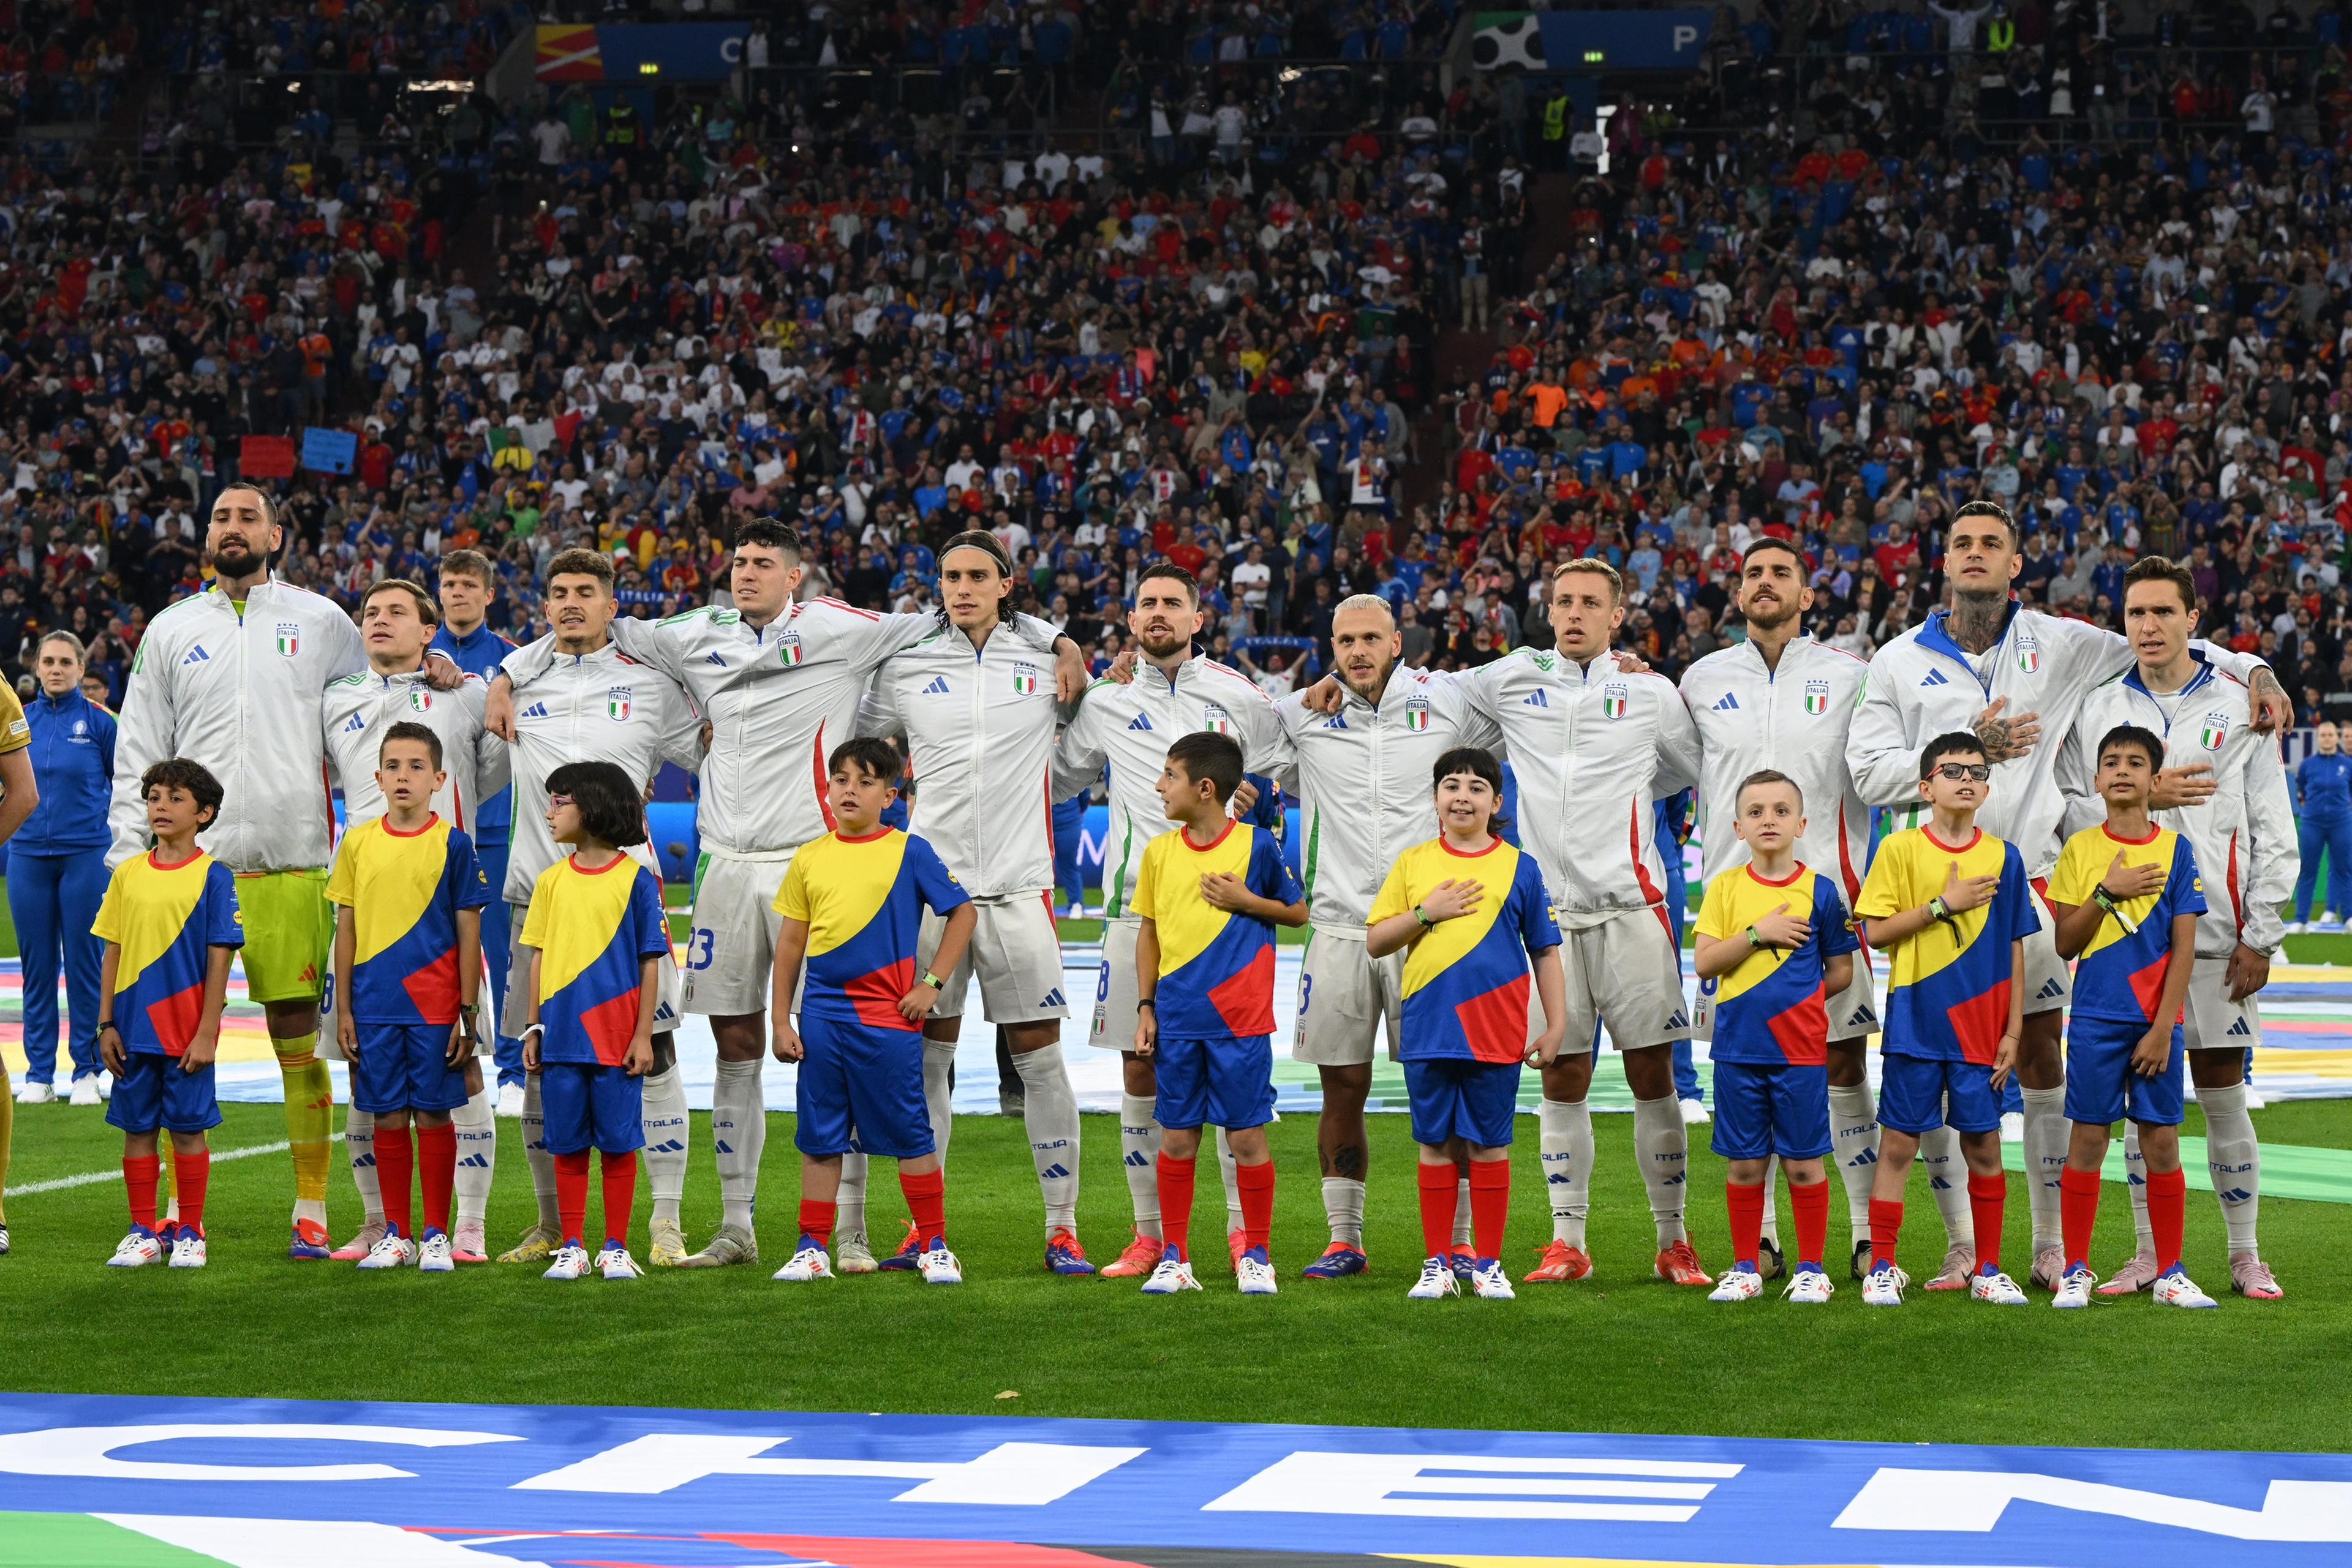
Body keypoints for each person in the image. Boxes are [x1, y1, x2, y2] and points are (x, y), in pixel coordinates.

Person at [488, 518, 1079, 1272]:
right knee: (735, 1045)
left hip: (815, 864)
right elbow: (597, 624)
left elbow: (948, 610)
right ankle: (738, 1227)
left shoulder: (843, 627)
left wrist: (1058, 639)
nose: (747, 573)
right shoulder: (695, 631)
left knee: (849, 1043)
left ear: (794, 576)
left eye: (764, 563)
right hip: (727, 865)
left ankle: (852, 1230)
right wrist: (505, 674)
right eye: (739, 561)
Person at [1849, 499, 2285, 1292]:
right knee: (1949, 1071)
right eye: (1961, 545)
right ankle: (1959, 1246)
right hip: (1937, 889)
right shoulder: (1897, 661)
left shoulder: (2064, 643)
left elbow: (2167, 640)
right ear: (1943, 564)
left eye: (1992, 544)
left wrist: (2255, 668)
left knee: (2046, 1060)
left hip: (2041, 889)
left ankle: (2050, 1244)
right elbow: (1868, 774)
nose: (1975, 554)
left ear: (2018, 564)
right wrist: (1962, 751)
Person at [108, 483, 460, 1258]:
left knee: (294, 1039)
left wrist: (431, 666)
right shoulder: (171, 628)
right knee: (168, 1042)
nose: (232, 530)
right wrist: (128, 857)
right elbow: (138, 746)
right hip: (187, 872)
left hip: (293, 860)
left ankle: (310, 1207)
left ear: (275, 534)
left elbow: (373, 698)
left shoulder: (322, 621)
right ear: (207, 534)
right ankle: (173, 1209)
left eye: (247, 519)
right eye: (221, 518)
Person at [855, 531, 1095, 1273]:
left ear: (1006, 582)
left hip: (1021, 888)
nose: (962, 587)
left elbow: (1081, 747)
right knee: (927, 1061)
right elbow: (857, 739)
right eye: (950, 575)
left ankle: (1063, 1228)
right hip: (932, 894)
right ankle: (924, 1229)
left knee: (1042, 1059)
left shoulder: (1044, 660)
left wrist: (1064, 642)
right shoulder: (908, 661)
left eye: (977, 576)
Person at [1461, 560, 1706, 1286]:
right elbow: (1433, 698)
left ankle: (1674, 1240)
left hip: (1633, 910)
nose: (1574, 613)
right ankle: (1568, 1241)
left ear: (1617, 614)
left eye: (1589, 603)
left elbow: (1684, 769)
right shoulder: (1510, 677)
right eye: (1563, 601)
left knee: (1651, 1072)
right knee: (1561, 1073)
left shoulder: (1650, 691)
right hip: (1548, 922)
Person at [2056, 555, 2294, 1300]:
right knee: (2139, 1103)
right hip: (2123, 942)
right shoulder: (2095, 706)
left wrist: (2263, 931)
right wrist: (2145, 796)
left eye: (2163, 612)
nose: (2148, 626)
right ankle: (2146, 1252)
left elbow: (2270, 822)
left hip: (2219, 937)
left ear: (2195, 620)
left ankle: (2245, 1253)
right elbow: (2067, 803)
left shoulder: (2237, 700)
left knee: (2223, 1092)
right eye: (2135, 614)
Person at [1052, 562, 1289, 1279]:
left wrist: (1255, 790)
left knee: (1230, 1078)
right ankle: (1150, 1235)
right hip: (1138, 911)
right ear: (1131, 620)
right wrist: (1070, 694)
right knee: (1140, 1063)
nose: (1159, 612)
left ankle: (1243, 1237)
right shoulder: (1106, 699)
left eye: (1173, 603)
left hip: (1226, 911)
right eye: (1147, 603)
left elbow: (1286, 761)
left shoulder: (1238, 694)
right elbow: (1061, 774)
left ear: (1198, 619)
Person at [1268, 594, 1503, 1279]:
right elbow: (1242, 728)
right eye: (1346, 640)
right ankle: (1345, 1238)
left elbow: (1525, 698)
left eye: (1371, 637)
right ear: (1332, 645)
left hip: (1434, 929)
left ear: (1398, 641)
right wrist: (1301, 698)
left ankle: (1459, 1241)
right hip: (1339, 925)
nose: (1358, 651)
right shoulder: (1306, 716)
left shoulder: (1450, 700)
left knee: (1450, 1079)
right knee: (1341, 1084)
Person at [491, 549, 702, 1268]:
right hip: (538, 897)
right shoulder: (518, 678)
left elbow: (709, 748)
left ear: (615, 606)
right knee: (542, 1061)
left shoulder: (649, 685)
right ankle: (554, 1224)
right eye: (560, 593)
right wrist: (500, 676)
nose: (573, 602)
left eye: (588, 591)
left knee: (656, 1053)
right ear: (544, 607)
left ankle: (664, 1222)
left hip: (626, 897)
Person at [1680, 538, 1882, 1278]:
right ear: (1738, 595)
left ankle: (1863, 1236)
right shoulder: (1700, 680)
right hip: (1735, 917)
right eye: (1752, 574)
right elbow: (1670, 765)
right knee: (1746, 1071)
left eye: (1781, 574)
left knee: (1843, 1065)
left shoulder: (1853, 676)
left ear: (1806, 595)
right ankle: (1759, 1242)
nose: (1765, 583)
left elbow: (1885, 766)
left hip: (1828, 907)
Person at [322, 579, 508, 1264]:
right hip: (364, 918)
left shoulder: (463, 692)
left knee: (461, 1076)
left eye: (398, 612)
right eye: (370, 612)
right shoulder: (335, 696)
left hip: (439, 919)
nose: (379, 621)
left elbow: (491, 773)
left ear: (430, 630)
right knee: (366, 1079)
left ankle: (468, 1222)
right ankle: (380, 1223)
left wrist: (465, 682)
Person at [767, 737, 976, 1286]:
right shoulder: (809, 856)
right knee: (820, 1136)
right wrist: (780, 1019)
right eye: (841, 780)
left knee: (912, 1134)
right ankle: (812, 1248)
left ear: (891, 794)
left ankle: (934, 1245)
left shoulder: (910, 850)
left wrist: (931, 984)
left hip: (888, 1019)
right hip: (822, 1020)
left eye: (865, 781)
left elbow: (963, 914)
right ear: (828, 789)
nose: (850, 790)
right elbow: (790, 944)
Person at [1365, 747, 1566, 1302]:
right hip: (1429, 1026)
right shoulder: (1413, 863)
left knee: (1489, 1147)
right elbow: (1377, 940)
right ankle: (1436, 1264)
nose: (1462, 795)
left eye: (1477, 787)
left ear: (1497, 802)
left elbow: (1546, 952)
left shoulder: (1520, 866)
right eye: (1451, 785)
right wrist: (1427, 913)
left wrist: (1556, 1025)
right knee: (1434, 1145)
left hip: (1495, 1028)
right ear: (1435, 799)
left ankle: (1489, 1265)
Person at [1852, 733, 2038, 1308]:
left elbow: (2015, 948)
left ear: (1987, 787)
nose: (1965, 779)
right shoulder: (1899, 849)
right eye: (1951, 770)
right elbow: (1874, 931)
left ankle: (1987, 1268)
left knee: (1984, 1146)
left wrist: (2013, 1032)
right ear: (1925, 786)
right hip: (1917, 1021)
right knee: (1899, 1146)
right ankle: (1882, 1265)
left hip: (1983, 1030)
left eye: (1976, 771)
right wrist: (1942, 906)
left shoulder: (2005, 857)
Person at [2045, 723, 2214, 1310]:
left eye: (2135, 762)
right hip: (2094, 1019)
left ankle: (2170, 1271)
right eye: (2111, 761)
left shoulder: (2176, 849)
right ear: (2095, 780)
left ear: (2154, 779)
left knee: (2161, 1144)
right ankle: (2076, 1269)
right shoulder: (2079, 849)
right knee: (2087, 1141)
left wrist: (2165, 1027)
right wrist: (2107, 893)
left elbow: (2185, 946)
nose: (2122, 770)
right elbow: (2065, 943)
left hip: (2156, 1025)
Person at [1131, 731, 1306, 1295]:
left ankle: (1257, 1254)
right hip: (1179, 1022)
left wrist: (1247, 902)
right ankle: (1175, 1258)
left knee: (1248, 1140)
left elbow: (1297, 911)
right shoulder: (1159, 852)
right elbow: (1149, 934)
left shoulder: (1256, 846)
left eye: (1170, 776)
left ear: (1205, 789)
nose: (1159, 785)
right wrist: (1145, 1009)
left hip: (1241, 1023)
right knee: (1176, 1140)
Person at [1690, 771, 1858, 1305]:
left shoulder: (1822, 891)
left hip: (1801, 1053)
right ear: (1737, 826)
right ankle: (1745, 1267)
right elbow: (1705, 962)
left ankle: (1812, 1268)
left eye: (1782, 811)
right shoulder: (1725, 887)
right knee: (1744, 1163)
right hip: (1738, 1051)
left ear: (1802, 823)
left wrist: (1802, 1003)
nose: (1769, 820)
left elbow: (1841, 971)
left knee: (1804, 1162)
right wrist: (1758, 934)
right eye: (1757, 811)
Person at [519, 761, 673, 1283]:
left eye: (560, 801)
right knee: (565, 1144)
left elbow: (651, 960)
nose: (550, 812)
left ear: (593, 805)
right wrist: (534, 1027)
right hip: (561, 1039)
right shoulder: (549, 881)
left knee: (617, 1144)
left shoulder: (637, 880)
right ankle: (573, 1246)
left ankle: (614, 1246)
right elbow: (537, 959)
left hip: (615, 1042)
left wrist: (643, 1035)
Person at [97, 760, 242, 1270]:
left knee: (187, 1131)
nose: (161, 805)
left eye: (175, 798)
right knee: (136, 1130)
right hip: (132, 1031)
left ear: (205, 813)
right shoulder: (129, 874)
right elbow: (112, 950)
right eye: (154, 796)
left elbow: (220, 957)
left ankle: (189, 1232)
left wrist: (208, 1032)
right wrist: (105, 1024)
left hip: (185, 1034)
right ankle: (142, 1231)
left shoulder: (215, 877)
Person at [428, 549, 523, 1113]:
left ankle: (510, 1067)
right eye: (449, 583)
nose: (457, 592)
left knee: (504, 955)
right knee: (435, 952)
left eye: (469, 584)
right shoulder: (415, 653)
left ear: (490, 595)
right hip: (433, 833)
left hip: (499, 829)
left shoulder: (517, 662)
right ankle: (442, 1054)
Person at [14, 631, 102, 1106]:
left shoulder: (100, 724)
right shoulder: (19, 723)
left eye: (65, 661)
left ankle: (87, 1070)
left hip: (86, 855)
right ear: (37, 665)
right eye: (48, 661)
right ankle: (38, 1074)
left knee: (86, 965)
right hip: (27, 858)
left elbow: (126, 783)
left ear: (81, 669)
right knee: (37, 969)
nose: (55, 669)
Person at [2289, 720, 2351, 929]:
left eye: (2330, 735)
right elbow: (2303, 790)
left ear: (2337, 738)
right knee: (2307, 870)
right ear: (2318, 738)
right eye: (2323, 735)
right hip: (2312, 823)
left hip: (2341, 822)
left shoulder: (2347, 764)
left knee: (2344, 870)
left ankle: (2349, 918)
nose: (2327, 738)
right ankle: (2301, 920)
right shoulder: (2307, 765)